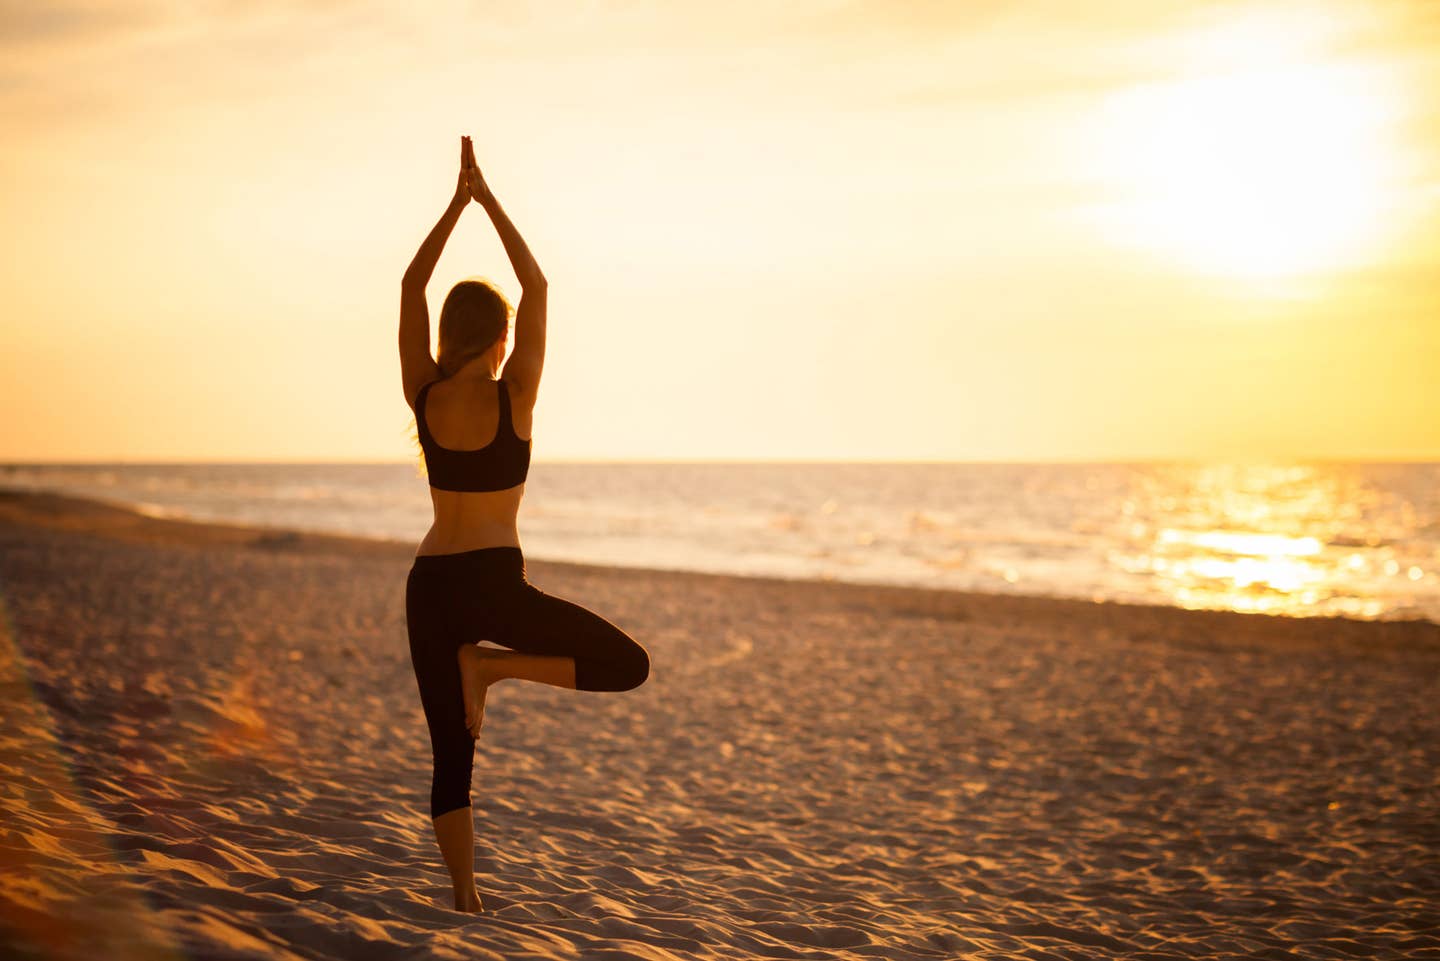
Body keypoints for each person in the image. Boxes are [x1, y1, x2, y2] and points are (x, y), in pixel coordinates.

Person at [399, 135, 650, 913]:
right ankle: (497, 668)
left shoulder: (424, 394)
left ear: (450, 335)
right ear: (502, 339)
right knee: (626, 663)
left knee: (452, 752)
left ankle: (466, 898)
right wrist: (486, 198)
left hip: (431, 585)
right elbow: (535, 281)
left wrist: (452, 207)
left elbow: (412, 283)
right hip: (494, 591)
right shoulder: (518, 396)